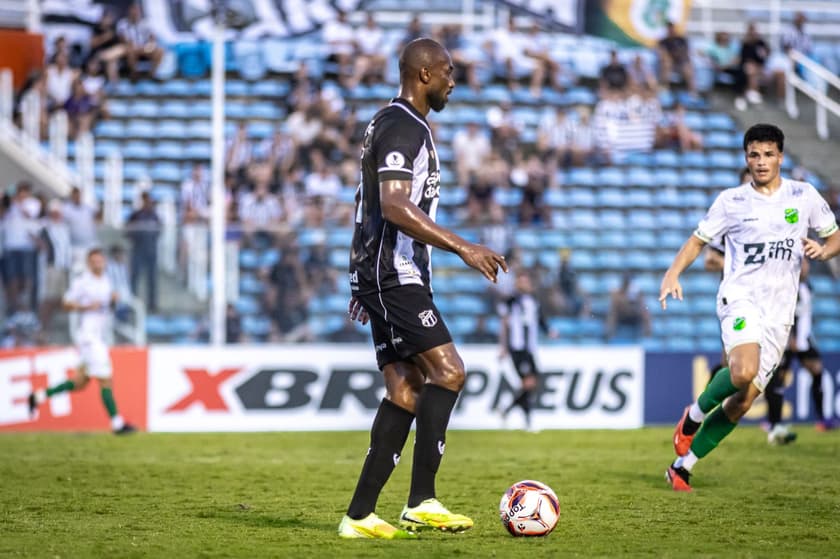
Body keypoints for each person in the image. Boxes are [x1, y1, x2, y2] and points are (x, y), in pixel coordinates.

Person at [339, 38, 507, 539]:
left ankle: (360, 516)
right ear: (425, 75)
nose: (455, 81)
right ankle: (422, 501)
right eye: (449, 72)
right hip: (394, 273)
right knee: (450, 371)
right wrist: (463, 247)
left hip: (381, 273)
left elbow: (367, 199)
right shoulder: (401, 125)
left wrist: (360, 273)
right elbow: (391, 205)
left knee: (406, 390)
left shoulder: (395, 123)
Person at [660, 124, 840, 492]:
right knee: (742, 371)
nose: (761, 162)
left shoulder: (802, 196)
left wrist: (825, 250)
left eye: (768, 154)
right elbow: (698, 241)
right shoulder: (732, 201)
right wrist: (672, 274)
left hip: (779, 314)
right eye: (754, 155)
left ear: (781, 157)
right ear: (746, 158)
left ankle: (682, 468)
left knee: (742, 402)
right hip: (740, 298)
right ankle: (692, 418)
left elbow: (834, 234)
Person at [27, 248, 137, 435]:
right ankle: (117, 424)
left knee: (80, 382)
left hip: (99, 335)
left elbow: (107, 309)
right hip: (89, 337)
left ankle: (39, 396)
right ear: (89, 263)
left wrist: (112, 301)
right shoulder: (82, 282)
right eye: (94, 261)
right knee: (105, 379)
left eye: (100, 261)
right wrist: (86, 306)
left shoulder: (106, 281)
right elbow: (66, 303)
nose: (98, 264)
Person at [766, 257, 838, 440]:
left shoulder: (807, 287)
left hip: (805, 340)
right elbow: (788, 313)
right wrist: (792, 337)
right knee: (777, 380)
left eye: (807, 264)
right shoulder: (789, 287)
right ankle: (773, 422)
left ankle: (822, 419)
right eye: (803, 264)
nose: (806, 268)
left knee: (817, 372)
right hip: (789, 340)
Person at [497, 271, 556, 432]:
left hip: (530, 348)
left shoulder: (534, 301)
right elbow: (504, 324)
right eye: (521, 282)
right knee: (529, 381)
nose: (524, 285)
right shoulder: (511, 301)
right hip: (517, 348)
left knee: (531, 382)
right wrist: (503, 347)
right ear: (517, 283)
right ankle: (526, 420)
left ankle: (508, 411)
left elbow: (540, 319)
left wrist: (549, 330)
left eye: (526, 282)